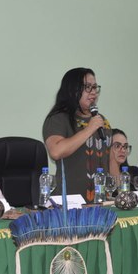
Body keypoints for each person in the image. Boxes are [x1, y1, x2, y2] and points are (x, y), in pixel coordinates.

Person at [43, 67, 111, 201]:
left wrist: (119, 190)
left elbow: (110, 159)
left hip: (101, 201)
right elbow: (56, 151)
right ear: (72, 89)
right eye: (87, 87)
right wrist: (89, 129)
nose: (93, 93)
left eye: (95, 87)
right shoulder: (58, 119)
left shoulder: (101, 120)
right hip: (70, 203)